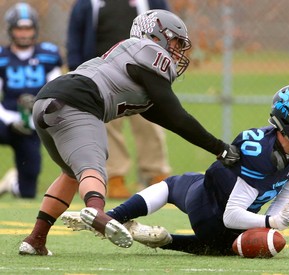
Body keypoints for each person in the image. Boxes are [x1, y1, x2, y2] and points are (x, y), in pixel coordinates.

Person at [18, 9, 239, 256]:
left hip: (46, 102)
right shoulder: (149, 53)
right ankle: (97, 212)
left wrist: (216, 147)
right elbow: (177, 115)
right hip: (78, 103)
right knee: (94, 165)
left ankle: (35, 239)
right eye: (176, 41)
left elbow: (170, 119)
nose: (177, 50)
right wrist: (220, 147)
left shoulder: (131, 60)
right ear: (156, 36)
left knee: (71, 174)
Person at [62, 84, 289, 255]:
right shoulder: (258, 152)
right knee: (220, 241)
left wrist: (278, 219)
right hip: (211, 211)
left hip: (205, 188)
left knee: (175, 184)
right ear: (287, 121)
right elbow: (231, 216)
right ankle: (148, 234)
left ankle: (112, 219)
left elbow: (286, 189)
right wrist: (271, 223)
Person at [67, 0, 172, 199]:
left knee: (151, 124)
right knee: (109, 128)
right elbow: (75, 36)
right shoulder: (88, 4)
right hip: (103, 77)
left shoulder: (152, 2)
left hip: (144, 74)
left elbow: (168, 28)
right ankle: (115, 177)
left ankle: (156, 174)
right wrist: (77, 70)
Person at [0, 2, 62, 198]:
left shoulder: (48, 55)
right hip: (5, 118)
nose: (24, 33)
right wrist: (11, 122)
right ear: (10, 30)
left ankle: (13, 184)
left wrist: (39, 115)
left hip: (33, 123)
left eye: (28, 28)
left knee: (28, 192)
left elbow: (57, 93)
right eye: (19, 28)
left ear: (35, 29)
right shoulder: (2, 57)